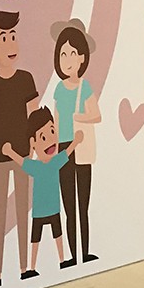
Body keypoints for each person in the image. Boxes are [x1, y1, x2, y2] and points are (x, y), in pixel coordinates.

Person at [0, 10, 38, 288]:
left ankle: (25, 268)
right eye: (3, 38)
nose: (11, 44)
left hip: (24, 156)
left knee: (23, 210)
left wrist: (32, 152)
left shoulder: (26, 79)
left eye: (14, 36)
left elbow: (34, 116)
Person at [44, 19, 100, 267]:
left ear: (82, 58)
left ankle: (85, 253)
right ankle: (72, 256)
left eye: (72, 54)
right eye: (63, 54)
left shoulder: (84, 87)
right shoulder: (59, 88)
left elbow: (97, 115)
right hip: (65, 148)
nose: (67, 59)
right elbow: (57, 119)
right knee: (69, 205)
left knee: (83, 205)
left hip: (82, 146)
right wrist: (54, 148)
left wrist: (79, 117)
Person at [1, 107, 80, 275]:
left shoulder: (55, 162)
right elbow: (22, 162)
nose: (50, 140)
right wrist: (9, 152)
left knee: (57, 235)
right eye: (43, 137)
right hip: (39, 211)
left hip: (54, 209)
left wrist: (76, 142)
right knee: (35, 239)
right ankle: (32, 267)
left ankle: (62, 260)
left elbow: (67, 152)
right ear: (33, 144)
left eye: (52, 131)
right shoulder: (36, 166)